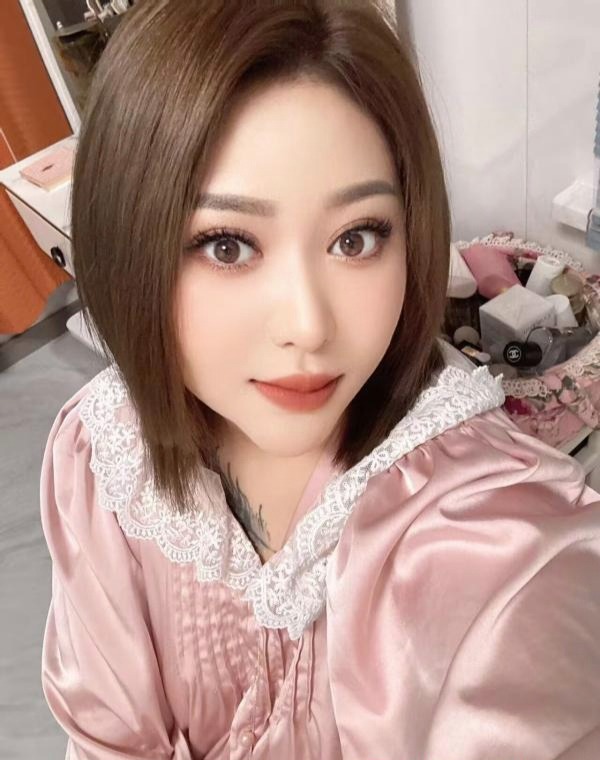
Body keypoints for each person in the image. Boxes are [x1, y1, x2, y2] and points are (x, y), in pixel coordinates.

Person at [39, 1, 600, 758]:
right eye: (228, 246)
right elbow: (106, 736)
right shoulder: (102, 453)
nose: (309, 326)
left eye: (356, 238)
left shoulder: (493, 532)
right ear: (128, 242)